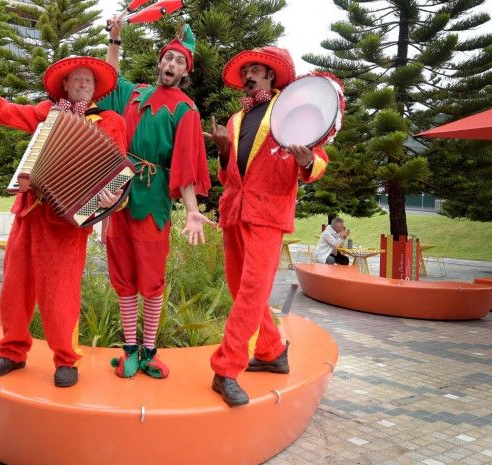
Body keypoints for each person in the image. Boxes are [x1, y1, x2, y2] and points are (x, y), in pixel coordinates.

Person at [0, 38, 129, 388]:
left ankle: (66, 359)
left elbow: (119, 172)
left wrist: (109, 198)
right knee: (15, 288)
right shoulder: (46, 112)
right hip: (29, 212)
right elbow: (1, 110)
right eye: (77, 79)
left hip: (68, 224)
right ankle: (12, 353)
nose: (82, 84)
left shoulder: (111, 121)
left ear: (96, 89)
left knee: (60, 292)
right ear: (65, 84)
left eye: (88, 80)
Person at [206, 46, 331, 407]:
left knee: (252, 290)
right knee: (240, 288)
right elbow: (228, 175)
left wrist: (308, 163)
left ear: (271, 76)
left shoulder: (291, 110)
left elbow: (319, 161)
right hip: (234, 210)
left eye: (257, 70)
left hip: (268, 213)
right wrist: (225, 151)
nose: (250, 75)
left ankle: (226, 369)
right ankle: (272, 351)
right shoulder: (234, 119)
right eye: (246, 70)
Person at [99, 21, 213, 380]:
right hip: (119, 188)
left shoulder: (186, 109)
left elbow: (186, 164)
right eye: (169, 57)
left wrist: (192, 210)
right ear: (160, 62)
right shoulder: (135, 94)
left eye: (180, 61)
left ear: (185, 71)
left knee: (151, 278)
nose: (172, 64)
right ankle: (129, 349)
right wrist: (115, 39)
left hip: (154, 197)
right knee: (122, 274)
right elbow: (109, 81)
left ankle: (150, 351)